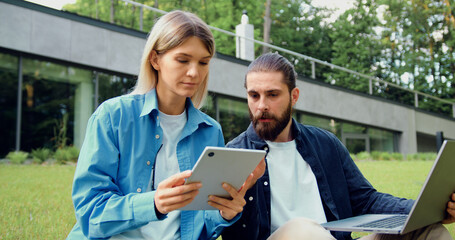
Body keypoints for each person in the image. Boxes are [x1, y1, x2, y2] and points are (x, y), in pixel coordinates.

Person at [67, 10, 264, 240]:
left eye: (203, 62)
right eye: (183, 60)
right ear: (155, 59)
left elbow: (204, 224)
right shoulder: (113, 117)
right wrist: (153, 203)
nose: (194, 72)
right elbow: (90, 213)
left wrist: (224, 213)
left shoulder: (210, 131)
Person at [221, 52, 455, 240]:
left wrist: (427, 211)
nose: (262, 105)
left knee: (429, 233)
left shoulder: (325, 144)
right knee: (303, 229)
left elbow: (367, 201)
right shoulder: (235, 154)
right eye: (254, 95)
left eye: (272, 95)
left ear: (294, 96)